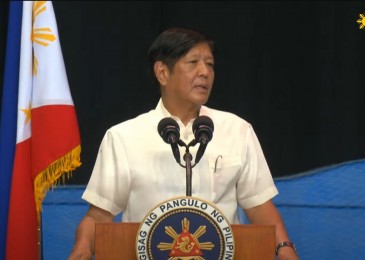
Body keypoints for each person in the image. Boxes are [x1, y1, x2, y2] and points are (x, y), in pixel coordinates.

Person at [69, 27, 299, 260]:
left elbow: (259, 206)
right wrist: (84, 245)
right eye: (193, 62)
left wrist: (285, 248)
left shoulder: (237, 130)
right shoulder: (123, 137)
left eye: (209, 64)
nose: (205, 72)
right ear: (162, 72)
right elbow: (99, 215)